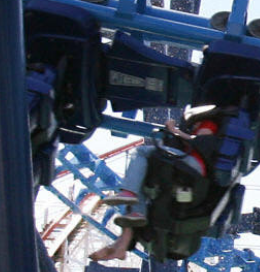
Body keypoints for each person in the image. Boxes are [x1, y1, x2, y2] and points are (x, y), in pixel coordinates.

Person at [89, 107, 231, 262]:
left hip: (192, 166)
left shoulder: (208, 124)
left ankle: (128, 193)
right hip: (187, 166)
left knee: (141, 152)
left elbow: (201, 142)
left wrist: (174, 130)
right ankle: (123, 241)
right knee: (141, 187)